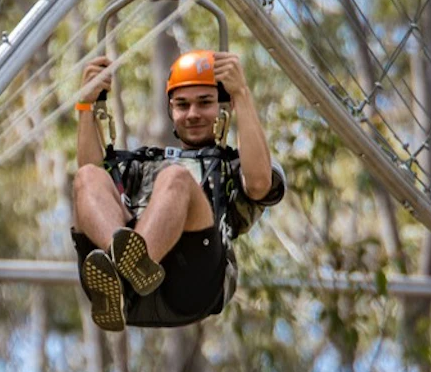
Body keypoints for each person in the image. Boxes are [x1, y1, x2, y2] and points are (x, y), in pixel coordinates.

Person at [70, 48, 286, 331]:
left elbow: (259, 184)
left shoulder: (232, 167)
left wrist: (242, 94)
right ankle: (123, 273)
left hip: (190, 285)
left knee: (177, 178)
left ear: (224, 106)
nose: (193, 113)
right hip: (122, 300)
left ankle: (127, 270)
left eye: (204, 102)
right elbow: (92, 191)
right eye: (182, 105)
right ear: (171, 110)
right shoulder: (142, 165)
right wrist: (87, 105)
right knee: (87, 175)